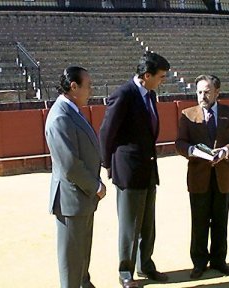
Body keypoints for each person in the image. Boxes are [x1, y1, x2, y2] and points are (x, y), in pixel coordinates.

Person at [99, 52, 170, 288]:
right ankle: (125, 272)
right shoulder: (124, 94)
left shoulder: (150, 94)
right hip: (128, 171)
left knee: (148, 223)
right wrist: (107, 164)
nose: (163, 80)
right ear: (146, 75)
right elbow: (107, 132)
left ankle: (145, 265)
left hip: (148, 168)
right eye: (160, 76)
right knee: (130, 226)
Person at [175, 74, 229, 279]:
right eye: (199, 92)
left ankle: (219, 260)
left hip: (223, 176)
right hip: (199, 176)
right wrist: (193, 151)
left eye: (206, 92)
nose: (202, 96)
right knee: (199, 221)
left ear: (217, 92)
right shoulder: (187, 115)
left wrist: (226, 150)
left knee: (220, 220)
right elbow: (180, 143)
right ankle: (199, 263)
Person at [45, 66, 106, 288]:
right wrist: (96, 186)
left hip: (81, 199)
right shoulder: (61, 116)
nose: (91, 90)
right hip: (72, 199)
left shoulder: (71, 111)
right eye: (88, 86)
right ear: (74, 87)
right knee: (71, 264)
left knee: (81, 258)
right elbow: (70, 165)